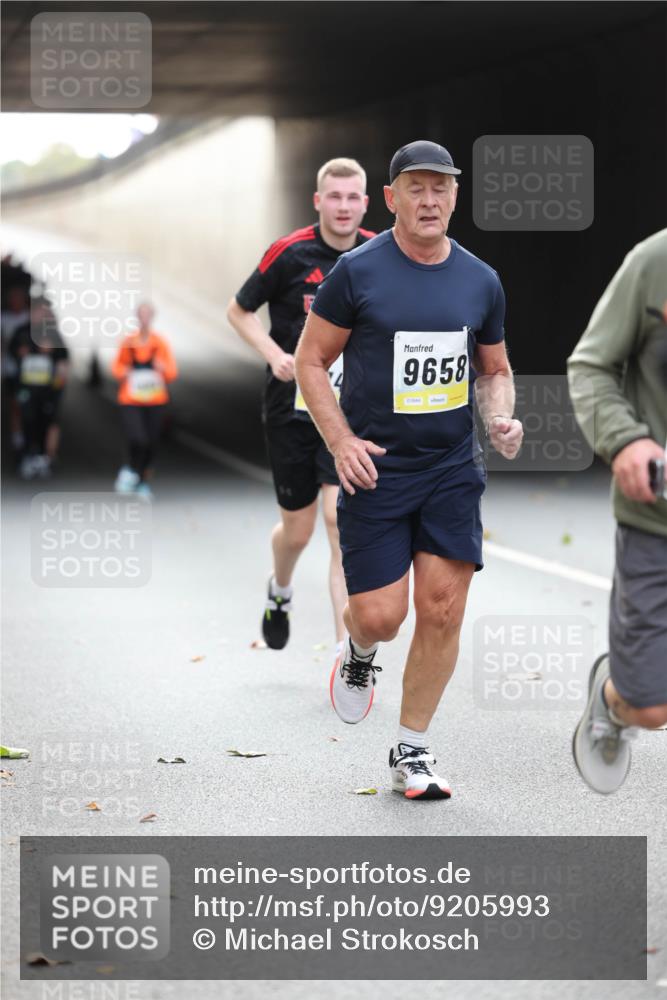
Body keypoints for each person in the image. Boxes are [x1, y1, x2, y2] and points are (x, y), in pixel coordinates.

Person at [295, 140, 523, 800]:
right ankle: (359, 653)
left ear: (455, 196)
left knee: (443, 607)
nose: (429, 200)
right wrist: (339, 442)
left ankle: (412, 752)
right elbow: (311, 360)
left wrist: (500, 416)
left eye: (441, 188)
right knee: (379, 615)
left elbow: (494, 369)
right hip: (376, 469)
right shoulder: (358, 273)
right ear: (391, 199)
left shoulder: (480, 279)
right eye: (415, 189)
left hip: (451, 466)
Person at [226, 158, 375, 657]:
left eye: (353, 197)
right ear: (318, 201)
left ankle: (342, 651)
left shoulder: (379, 253)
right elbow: (239, 309)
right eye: (335, 197)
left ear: (366, 204)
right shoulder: (289, 254)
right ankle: (280, 590)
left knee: (338, 520)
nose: (344, 207)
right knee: (299, 529)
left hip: (345, 413)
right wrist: (275, 356)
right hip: (290, 410)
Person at [568, 229, 667, 794]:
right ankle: (615, 696)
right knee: (652, 707)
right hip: (656, 520)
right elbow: (591, 366)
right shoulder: (653, 263)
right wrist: (626, 440)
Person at [111, 302, 178, 501]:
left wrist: (162, 369)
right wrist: (124, 372)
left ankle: (142, 481)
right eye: (142, 315)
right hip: (131, 399)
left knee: (152, 442)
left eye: (148, 315)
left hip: (155, 399)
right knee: (137, 437)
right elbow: (117, 367)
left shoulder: (160, 343)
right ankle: (130, 469)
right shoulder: (129, 342)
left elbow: (172, 372)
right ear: (137, 317)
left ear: (153, 317)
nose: (145, 319)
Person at [9, 296, 69, 479]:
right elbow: (10, 352)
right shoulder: (21, 332)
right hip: (27, 386)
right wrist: (20, 353)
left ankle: (43, 456)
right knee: (27, 419)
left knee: (46, 420)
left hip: (47, 388)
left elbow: (63, 361)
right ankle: (27, 454)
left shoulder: (52, 335)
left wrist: (58, 386)